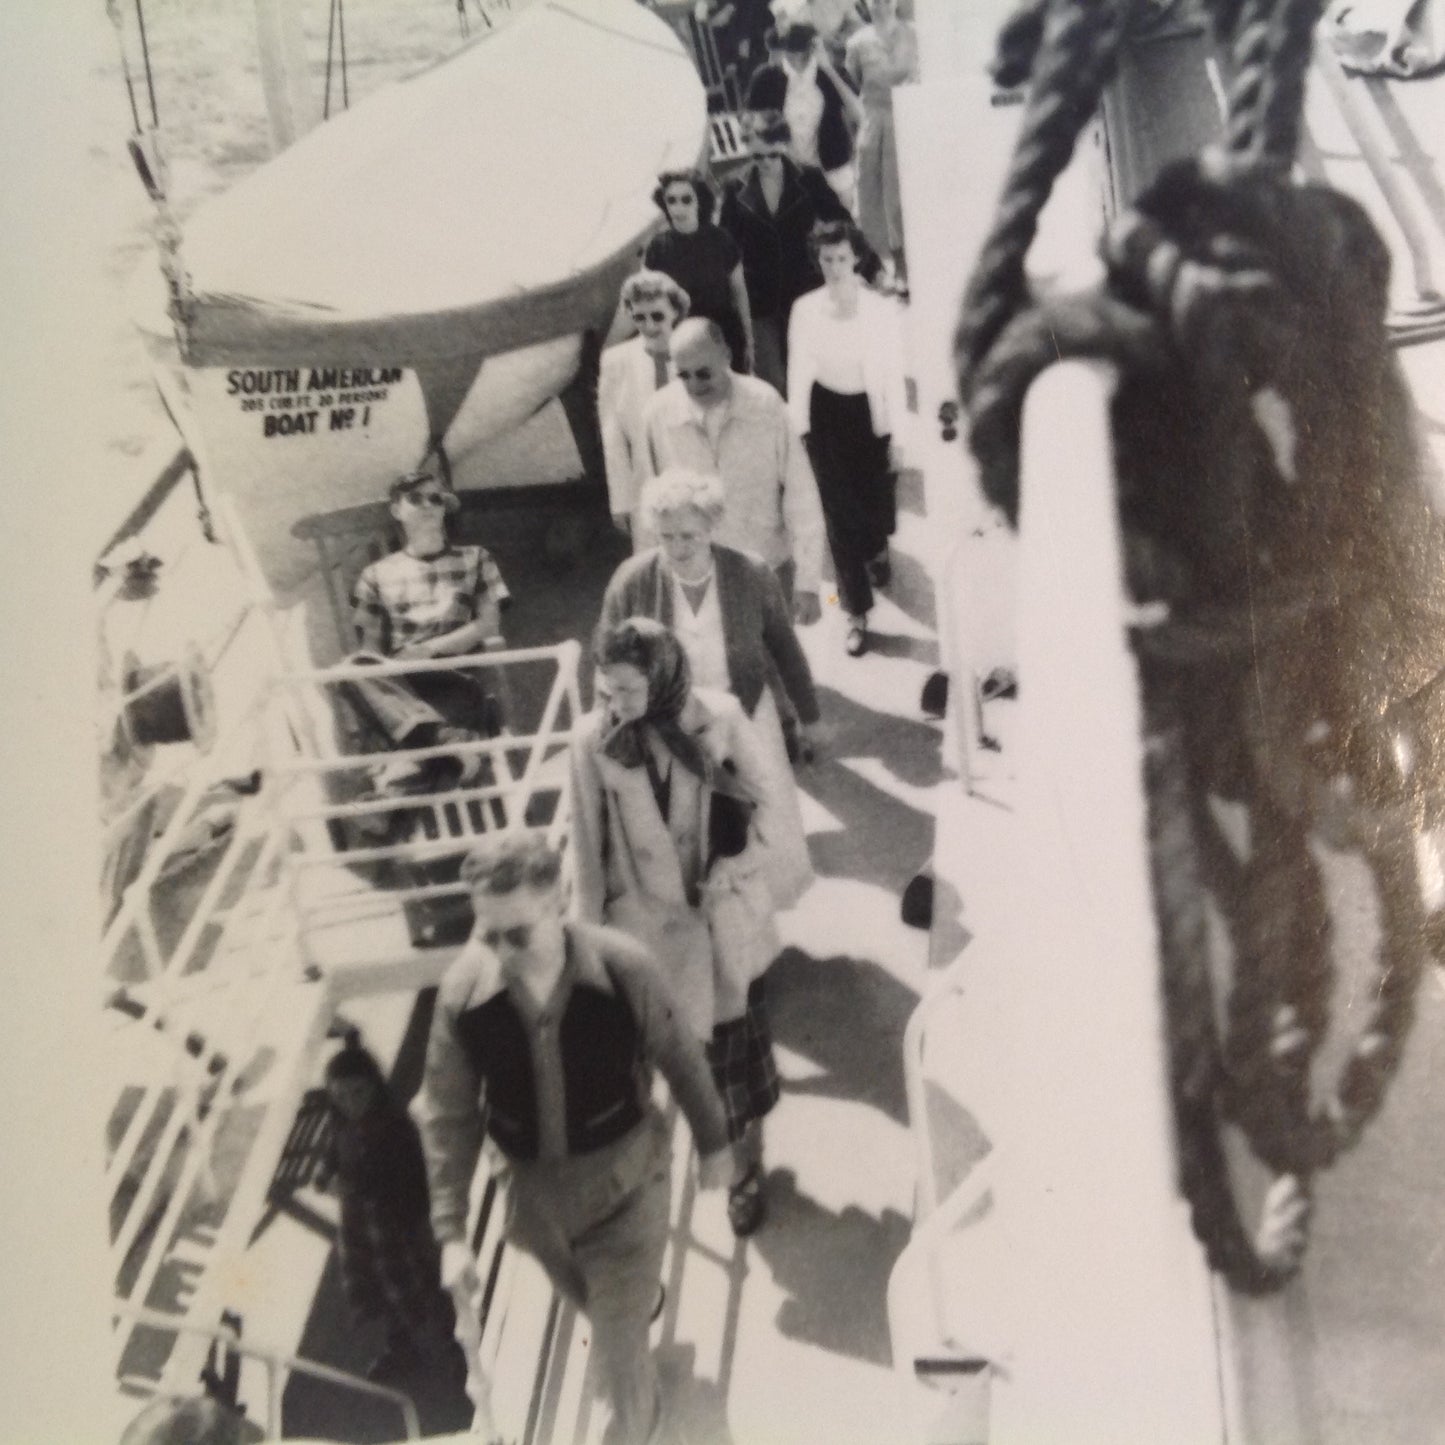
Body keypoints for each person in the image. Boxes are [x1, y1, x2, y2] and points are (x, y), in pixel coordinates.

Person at [417, 832, 737, 1445]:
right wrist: (451, 1232)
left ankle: (645, 1426)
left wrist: (715, 1142)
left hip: (626, 1190)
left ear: (559, 903)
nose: (500, 953)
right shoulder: (463, 996)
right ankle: (631, 1317)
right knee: (603, 1312)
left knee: (616, 1360)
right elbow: (448, 1113)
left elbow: (679, 1055)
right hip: (536, 1209)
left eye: (517, 935)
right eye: (487, 934)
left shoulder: (624, 970)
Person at [571, 618, 793, 1238]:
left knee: (732, 1067)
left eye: (629, 689)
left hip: (718, 919)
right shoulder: (592, 739)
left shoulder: (719, 716)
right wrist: (586, 951)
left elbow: (770, 803)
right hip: (644, 930)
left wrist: (736, 867)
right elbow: (586, 850)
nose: (617, 703)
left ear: (663, 675)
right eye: (607, 689)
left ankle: (744, 1173)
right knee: (652, 1069)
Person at [598, 468, 820, 884]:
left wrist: (809, 717)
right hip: (670, 722)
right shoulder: (631, 580)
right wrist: (609, 725)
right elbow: (606, 658)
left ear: (712, 526)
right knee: (690, 828)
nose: (677, 548)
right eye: (666, 536)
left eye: (689, 536)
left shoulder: (751, 573)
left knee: (767, 812)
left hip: (747, 710)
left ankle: (763, 904)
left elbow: (785, 649)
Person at [642, 317, 825, 628]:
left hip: (766, 567)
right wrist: (651, 586)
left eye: (704, 373)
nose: (694, 385)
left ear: (726, 356)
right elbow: (648, 510)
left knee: (775, 652)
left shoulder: (766, 404)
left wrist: (808, 583)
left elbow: (801, 494)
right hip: (695, 576)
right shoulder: (658, 414)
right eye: (683, 375)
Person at [343, 467, 509, 788]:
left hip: (456, 676)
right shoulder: (375, 575)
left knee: (407, 772)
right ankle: (445, 743)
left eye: (435, 499)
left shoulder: (476, 558)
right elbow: (370, 650)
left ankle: (428, 757)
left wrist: (429, 649)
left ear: (444, 508)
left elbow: (488, 625)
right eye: (415, 499)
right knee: (351, 669)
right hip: (404, 685)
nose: (428, 505)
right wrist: (383, 682)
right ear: (397, 510)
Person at [787, 218, 907, 656]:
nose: (835, 267)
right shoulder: (805, 309)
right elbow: (798, 370)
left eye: (841, 258)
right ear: (817, 261)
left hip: (871, 414)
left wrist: (899, 437)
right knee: (837, 515)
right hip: (826, 416)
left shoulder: (880, 310)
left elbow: (894, 375)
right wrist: (799, 429)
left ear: (856, 258)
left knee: (874, 503)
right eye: (827, 259)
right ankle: (855, 611)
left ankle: (877, 546)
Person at [324, 1031, 457, 1382]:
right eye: (340, 1097)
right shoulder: (343, 1128)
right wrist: (328, 1176)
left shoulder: (395, 1127)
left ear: (374, 1087)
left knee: (419, 1285)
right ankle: (401, 1347)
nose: (350, 1103)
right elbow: (332, 1158)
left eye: (358, 1093)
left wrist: (360, 1187)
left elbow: (411, 1180)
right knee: (380, 1289)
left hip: (400, 1225)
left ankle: (453, 1344)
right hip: (362, 1228)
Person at [718, 109, 868, 394]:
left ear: (785, 145)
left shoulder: (809, 178)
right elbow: (725, 247)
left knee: (813, 373)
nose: (765, 163)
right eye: (757, 156)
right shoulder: (733, 187)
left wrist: (859, 269)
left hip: (804, 289)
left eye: (772, 155)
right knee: (772, 382)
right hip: (760, 299)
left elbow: (842, 224)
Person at [599, 270, 691, 545]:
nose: (649, 325)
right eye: (639, 317)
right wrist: (621, 501)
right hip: (646, 490)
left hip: (697, 483)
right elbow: (613, 437)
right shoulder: (616, 361)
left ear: (675, 312)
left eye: (657, 316)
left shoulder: (695, 353)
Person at [642, 168, 754, 375]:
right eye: (671, 200)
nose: (678, 207)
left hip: (724, 337)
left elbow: (739, 293)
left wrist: (749, 341)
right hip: (681, 341)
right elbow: (645, 298)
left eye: (686, 199)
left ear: (699, 201)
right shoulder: (658, 248)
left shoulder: (721, 240)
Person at [745, 22, 861, 211]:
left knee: (845, 217)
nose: (797, 60)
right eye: (791, 53)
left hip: (833, 164)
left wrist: (829, 69)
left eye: (802, 52)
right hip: (787, 170)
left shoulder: (829, 73)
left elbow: (860, 115)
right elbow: (750, 124)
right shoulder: (767, 77)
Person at [845, 0, 918, 296]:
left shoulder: (914, 33)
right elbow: (855, 83)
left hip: (910, 118)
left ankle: (909, 263)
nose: (881, 4)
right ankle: (886, 264)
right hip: (875, 123)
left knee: (902, 194)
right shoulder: (857, 43)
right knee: (872, 196)